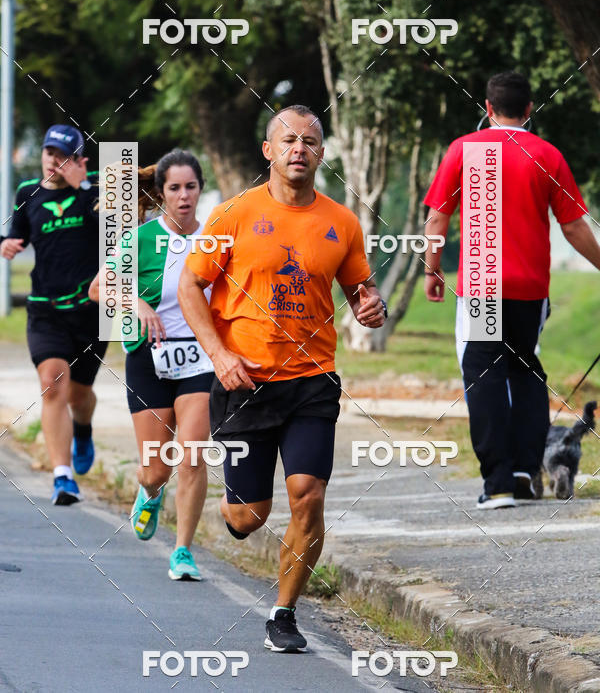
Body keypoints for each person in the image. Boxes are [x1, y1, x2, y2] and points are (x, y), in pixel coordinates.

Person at [178, 104, 386, 651]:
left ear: (322, 153)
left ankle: (284, 614)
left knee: (308, 495)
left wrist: (370, 306)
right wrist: (219, 355)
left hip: (312, 380)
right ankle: (237, 512)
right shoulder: (231, 216)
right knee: (248, 517)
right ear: (268, 151)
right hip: (244, 381)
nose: (300, 149)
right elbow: (187, 288)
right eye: (288, 139)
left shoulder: (342, 222)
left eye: (311, 141)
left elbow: (359, 290)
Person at [423, 71, 600, 509]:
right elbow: (575, 226)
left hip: (482, 284)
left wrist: (432, 270)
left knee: (483, 374)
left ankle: (498, 482)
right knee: (525, 372)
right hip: (530, 290)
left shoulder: (465, 150)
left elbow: (437, 220)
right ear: (528, 110)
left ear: (487, 108)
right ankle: (524, 473)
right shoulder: (547, 155)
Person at [89, 149, 214, 581]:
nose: (183, 196)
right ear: (160, 193)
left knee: (193, 456)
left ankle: (182, 552)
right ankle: (149, 491)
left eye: (191, 187)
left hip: (199, 359)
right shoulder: (141, 239)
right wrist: (136, 302)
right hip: (148, 357)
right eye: (174, 188)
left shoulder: (215, 239)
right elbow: (97, 290)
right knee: (155, 467)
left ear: (201, 189)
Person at [0, 125, 107, 505]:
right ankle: (63, 476)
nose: (53, 163)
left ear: (80, 161)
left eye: (63, 157)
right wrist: (7, 244)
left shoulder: (98, 188)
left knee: (79, 395)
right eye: (49, 155)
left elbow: (121, 233)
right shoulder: (28, 192)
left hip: (93, 311)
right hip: (45, 308)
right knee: (53, 383)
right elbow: (17, 234)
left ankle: (83, 429)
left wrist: (83, 188)